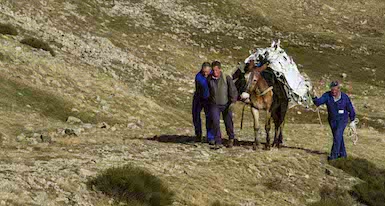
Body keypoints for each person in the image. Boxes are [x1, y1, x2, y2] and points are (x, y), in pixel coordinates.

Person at [312, 81, 356, 160]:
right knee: (338, 137)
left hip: (342, 120)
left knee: (337, 136)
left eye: (335, 90)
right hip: (332, 120)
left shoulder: (345, 97)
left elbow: (350, 108)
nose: (333, 92)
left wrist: (352, 120)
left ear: (339, 89)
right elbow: (318, 102)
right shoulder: (327, 95)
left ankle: (333, 157)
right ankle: (343, 154)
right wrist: (314, 97)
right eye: (332, 90)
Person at [208, 61, 238, 149]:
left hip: (226, 104)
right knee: (215, 122)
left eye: (216, 70)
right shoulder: (209, 79)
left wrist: (233, 101)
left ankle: (231, 138)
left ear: (220, 69)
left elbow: (233, 89)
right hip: (214, 105)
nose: (215, 72)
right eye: (213, 70)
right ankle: (218, 141)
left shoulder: (226, 78)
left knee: (228, 122)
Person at [192, 62, 214, 142]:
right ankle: (198, 135)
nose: (205, 73)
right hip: (199, 98)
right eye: (204, 71)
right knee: (196, 116)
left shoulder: (213, 75)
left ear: (210, 70)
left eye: (207, 72)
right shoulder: (198, 76)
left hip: (209, 99)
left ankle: (210, 137)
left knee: (209, 117)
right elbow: (204, 85)